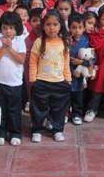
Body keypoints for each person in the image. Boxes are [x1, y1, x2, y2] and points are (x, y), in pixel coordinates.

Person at [28, 10, 72, 142]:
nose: (51, 27)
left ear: (60, 26)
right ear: (43, 26)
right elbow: (33, 61)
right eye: (48, 24)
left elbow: (66, 62)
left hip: (59, 82)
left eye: (55, 24)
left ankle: (57, 129)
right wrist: (32, 79)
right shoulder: (39, 42)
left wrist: (68, 78)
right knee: (38, 108)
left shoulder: (64, 42)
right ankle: (36, 130)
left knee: (59, 109)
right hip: (41, 81)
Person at [0, 12, 26, 145]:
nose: (8, 31)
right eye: (5, 27)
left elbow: (21, 60)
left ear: (17, 29)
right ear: (1, 28)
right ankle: (0, 132)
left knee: (14, 110)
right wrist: (3, 47)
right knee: (0, 109)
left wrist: (10, 48)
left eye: (11, 28)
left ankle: (15, 133)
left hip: (15, 83)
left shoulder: (19, 41)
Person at [68, 13, 91, 125]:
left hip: (80, 74)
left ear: (84, 28)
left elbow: (92, 58)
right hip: (67, 72)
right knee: (66, 96)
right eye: (74, 27)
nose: (77, 30)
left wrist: (82, 62)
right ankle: (65, 113)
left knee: (78, 96)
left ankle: (77, 114)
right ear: (69, 28)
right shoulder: (66, 40)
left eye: (80, 27)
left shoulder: (86, 41)